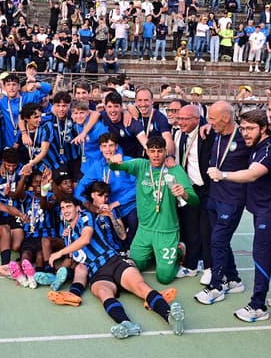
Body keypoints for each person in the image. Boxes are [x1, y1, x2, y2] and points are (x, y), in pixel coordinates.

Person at [48, 196, 184, 338]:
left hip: (113, 261)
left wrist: (59, 253)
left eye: (68, 206)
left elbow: (86, 239)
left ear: (77, 208)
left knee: (140, 286)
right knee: (104, 294)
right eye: (62, 208)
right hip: (96, 272)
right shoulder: (67, 235)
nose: (65, 210)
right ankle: (127, 324)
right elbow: (80, 261)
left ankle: (170, 317)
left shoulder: (85, 217)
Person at [206, 110, 271, 322]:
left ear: (264, 128)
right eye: (244, 128)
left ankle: (258, 306)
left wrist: (223, 175)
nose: (245, 133)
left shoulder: (270, 147)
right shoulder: (257, 145)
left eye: (250, 129)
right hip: (260, 209)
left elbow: (253, 173)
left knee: (262, 257)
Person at [109, 135, 197, 284]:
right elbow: (116, 167)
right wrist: (113, 161)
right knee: (135, 265)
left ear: (165, 152)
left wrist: (184, 193)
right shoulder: (140, 166)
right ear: (147, 152)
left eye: (160, 151)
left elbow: (195, 201)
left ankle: (179, 250)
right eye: (152, 151)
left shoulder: (175, 170)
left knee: (164, 278)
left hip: (166, 231)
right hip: (145, 230)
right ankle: (156, 253)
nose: (156, 155)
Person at [195, 101, 249, 305]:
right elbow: (208, 125)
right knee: (219, 240)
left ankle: (217, 285)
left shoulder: (244, 136)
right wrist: (208, 125)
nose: (209, 122)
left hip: (232, 199)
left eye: (211, 118)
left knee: (217, 240)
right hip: (215, 196)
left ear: (226, 118)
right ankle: (234, 279)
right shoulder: (216, 132)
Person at [172, 104, 214, 282]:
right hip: (188, 188)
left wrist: (210, 124)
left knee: (206, 229)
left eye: (184, 119)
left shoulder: (207, 133)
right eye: (178, 118)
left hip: (207, 188)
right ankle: (191, 265)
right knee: (189, 228)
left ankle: (209, 267)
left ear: (197, 119)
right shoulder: (178, 132)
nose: (179, 122)